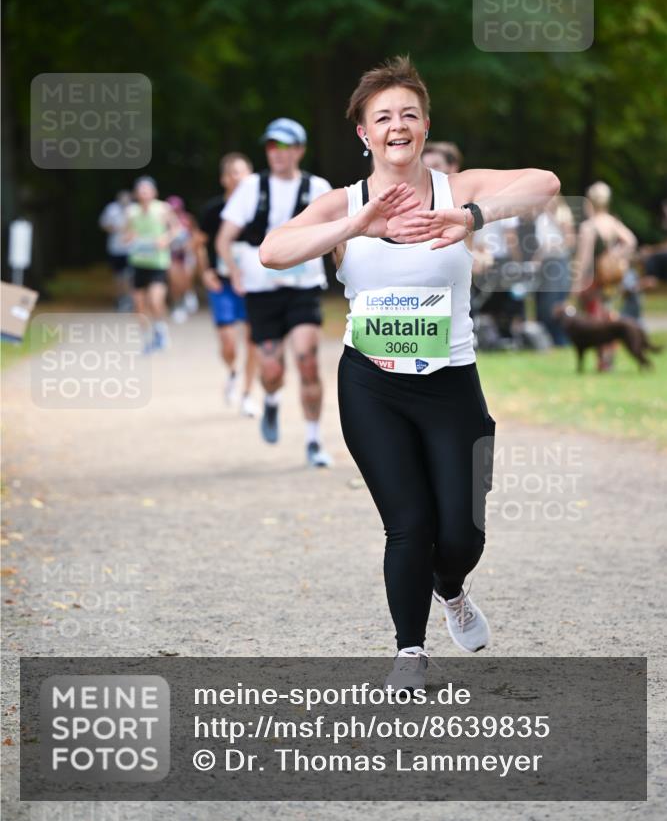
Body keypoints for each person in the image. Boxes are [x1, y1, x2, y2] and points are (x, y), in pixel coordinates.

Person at [259, 56, 559, 691]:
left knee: (463, 533)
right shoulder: (344, 202)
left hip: (452, 383)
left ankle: (452, 588)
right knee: (409, 523)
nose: (397, 125)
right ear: (364, 133)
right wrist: (355, 225)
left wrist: (471, 218)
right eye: (382, 117)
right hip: (372, 384)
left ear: (425, 127)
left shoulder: (457, 188)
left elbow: (547, 183)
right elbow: (272, 251)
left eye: (409, 115)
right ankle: (410, 651)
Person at [217, 119, 334, 467]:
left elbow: (339, 235)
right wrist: (234, 271)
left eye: (284, 146)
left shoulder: (318, 187)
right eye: (271, 146)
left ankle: (314, 440)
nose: (277, 153)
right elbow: (224, 239)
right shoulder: (252, 187)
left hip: (303, 289)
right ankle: (270, 400)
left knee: (308, 362)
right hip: (261, 292)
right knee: (271, 371)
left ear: (299, 150)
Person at [198, 153, 259, 416]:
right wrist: (205, 272)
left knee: (253, 340)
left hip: (254, 283)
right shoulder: (214, 210)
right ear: (224, 179)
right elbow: (199, 243)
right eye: (234, 172)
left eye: (244, 172)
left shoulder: (259, 208)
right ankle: (233, 371)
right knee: (228, 343)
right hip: (222, 282)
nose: (239, 177)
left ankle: (247, 394)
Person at [569, 181, 637, 371]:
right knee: (610, 318)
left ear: (589, 202)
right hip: (612, 281)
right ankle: (608, 358)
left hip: (594, 281)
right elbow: (631, 241)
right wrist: (616, 255)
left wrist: (575, 286)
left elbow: (583, 260)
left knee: (595, 322)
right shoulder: (613, 222)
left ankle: (602, 359)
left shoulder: (589, 227)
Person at [125, 177, 181, 352]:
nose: (144, 193)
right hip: (138, 262)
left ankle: (160, 330)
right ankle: (147, 338)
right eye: (140, 190)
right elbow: (126, 234)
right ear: (136, 193)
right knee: (139, 305)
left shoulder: (163, 208)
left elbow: (176, 228)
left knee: (155, 300)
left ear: (154, 192)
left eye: (147, 189)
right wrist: (130, 237)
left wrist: (166, 239)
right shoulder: (131, 211)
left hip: (158, 263)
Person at [533, 196, 576, 346]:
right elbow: (543, 244)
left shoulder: (562, 216)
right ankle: (549, 340)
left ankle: (560, 340)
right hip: (545, 264)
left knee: (555, 303)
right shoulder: (540, 218)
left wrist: (555, 219)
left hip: (558, 262)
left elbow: (570, 241)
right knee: (544, 304)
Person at [166, 195, 198, 323]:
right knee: (174, 282)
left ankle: (188, 293)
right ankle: (178, 305)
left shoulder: (188, 218)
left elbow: (195, 234)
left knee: (187, 277)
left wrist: (190, 246)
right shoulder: (164, 221)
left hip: (186, 254)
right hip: (172, 254)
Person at [98, 190, 133, 310]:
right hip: (115, 248)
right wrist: (114, 228)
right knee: (118, 276)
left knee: (128, 275)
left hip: (130, 249)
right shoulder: (111, 209)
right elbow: (103, 224)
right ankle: (120, 298)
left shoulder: (134, 209)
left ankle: (128, 299)